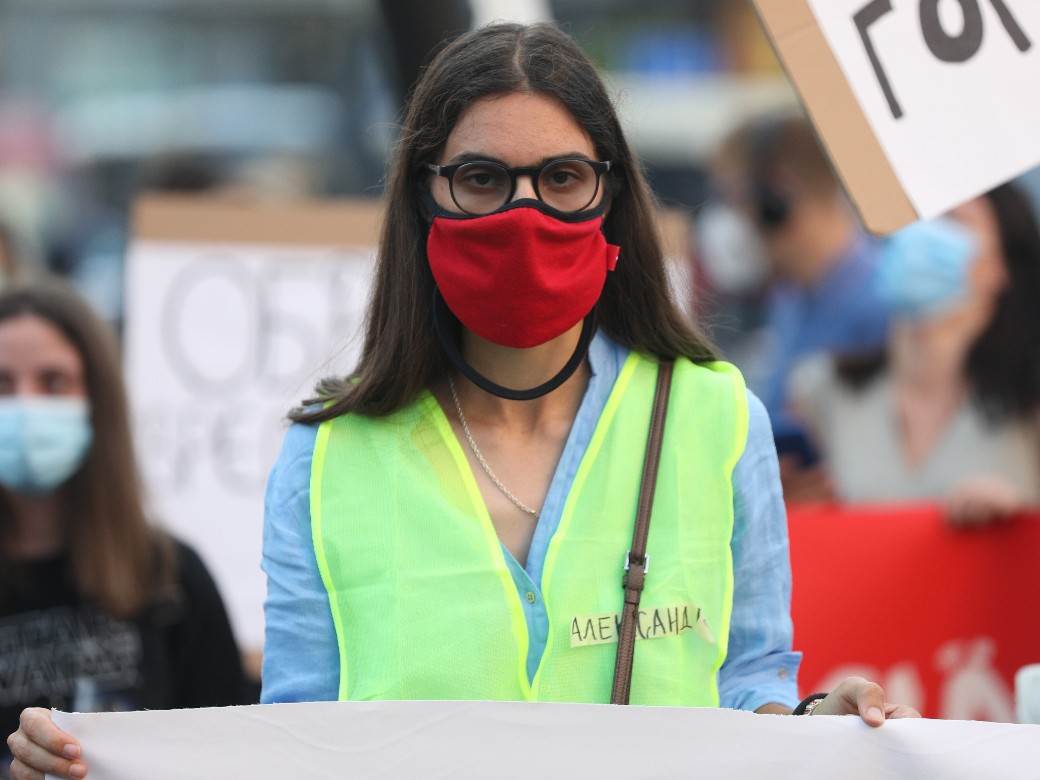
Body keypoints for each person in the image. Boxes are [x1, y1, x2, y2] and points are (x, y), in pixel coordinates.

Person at [10, 24, 916, 779]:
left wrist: (813, 719)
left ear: (610, 199)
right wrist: (90, 762)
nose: (525, 216)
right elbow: (292, 744)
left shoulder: (718, 421)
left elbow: (747, 683)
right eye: (483, 179)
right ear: (423, 201)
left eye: (562, 178)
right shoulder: (325, 458)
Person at [1, 281, 248, 780]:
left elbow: (239, 754)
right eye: (2, 385)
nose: (25, 406)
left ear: (98, 401)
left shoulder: (172, 575)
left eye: (52, 383)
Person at [789, 184, 1040, 523]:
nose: (922, 234)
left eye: (950, 220)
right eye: (912, 218)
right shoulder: (819, 390)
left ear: (999, 267)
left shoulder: (1028, 403)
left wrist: (1019, 518)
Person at [717, 114, 891, 446]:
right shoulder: (789, 297)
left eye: (735, 199)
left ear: (777, 199)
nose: (732, 220)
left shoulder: (885, 302)